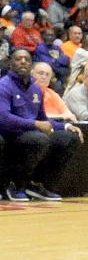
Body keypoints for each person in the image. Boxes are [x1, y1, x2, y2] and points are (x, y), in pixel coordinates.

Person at [0, 48, 81, 201]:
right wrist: (35, 124)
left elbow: (43, 119)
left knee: (69, 138)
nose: (23, 61)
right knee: (39, 138)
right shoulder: (4, 85)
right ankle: (15, 185)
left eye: (27, 59)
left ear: (31, 64)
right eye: (18, 59)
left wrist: (65, 126)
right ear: (11, 63)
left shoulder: (36, 88)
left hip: (32, 133)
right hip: (10, 135)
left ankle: (38, 184)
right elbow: (3, 118)